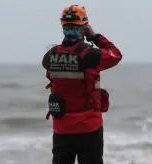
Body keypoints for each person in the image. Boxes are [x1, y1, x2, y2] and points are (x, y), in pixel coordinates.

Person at [42, 5, 122, 164]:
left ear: (63, 27)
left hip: (62, 127)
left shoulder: (50, 56)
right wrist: (94, 37)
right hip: (88, 127)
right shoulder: (90, 55)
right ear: (84, 27)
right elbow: (115, 54)